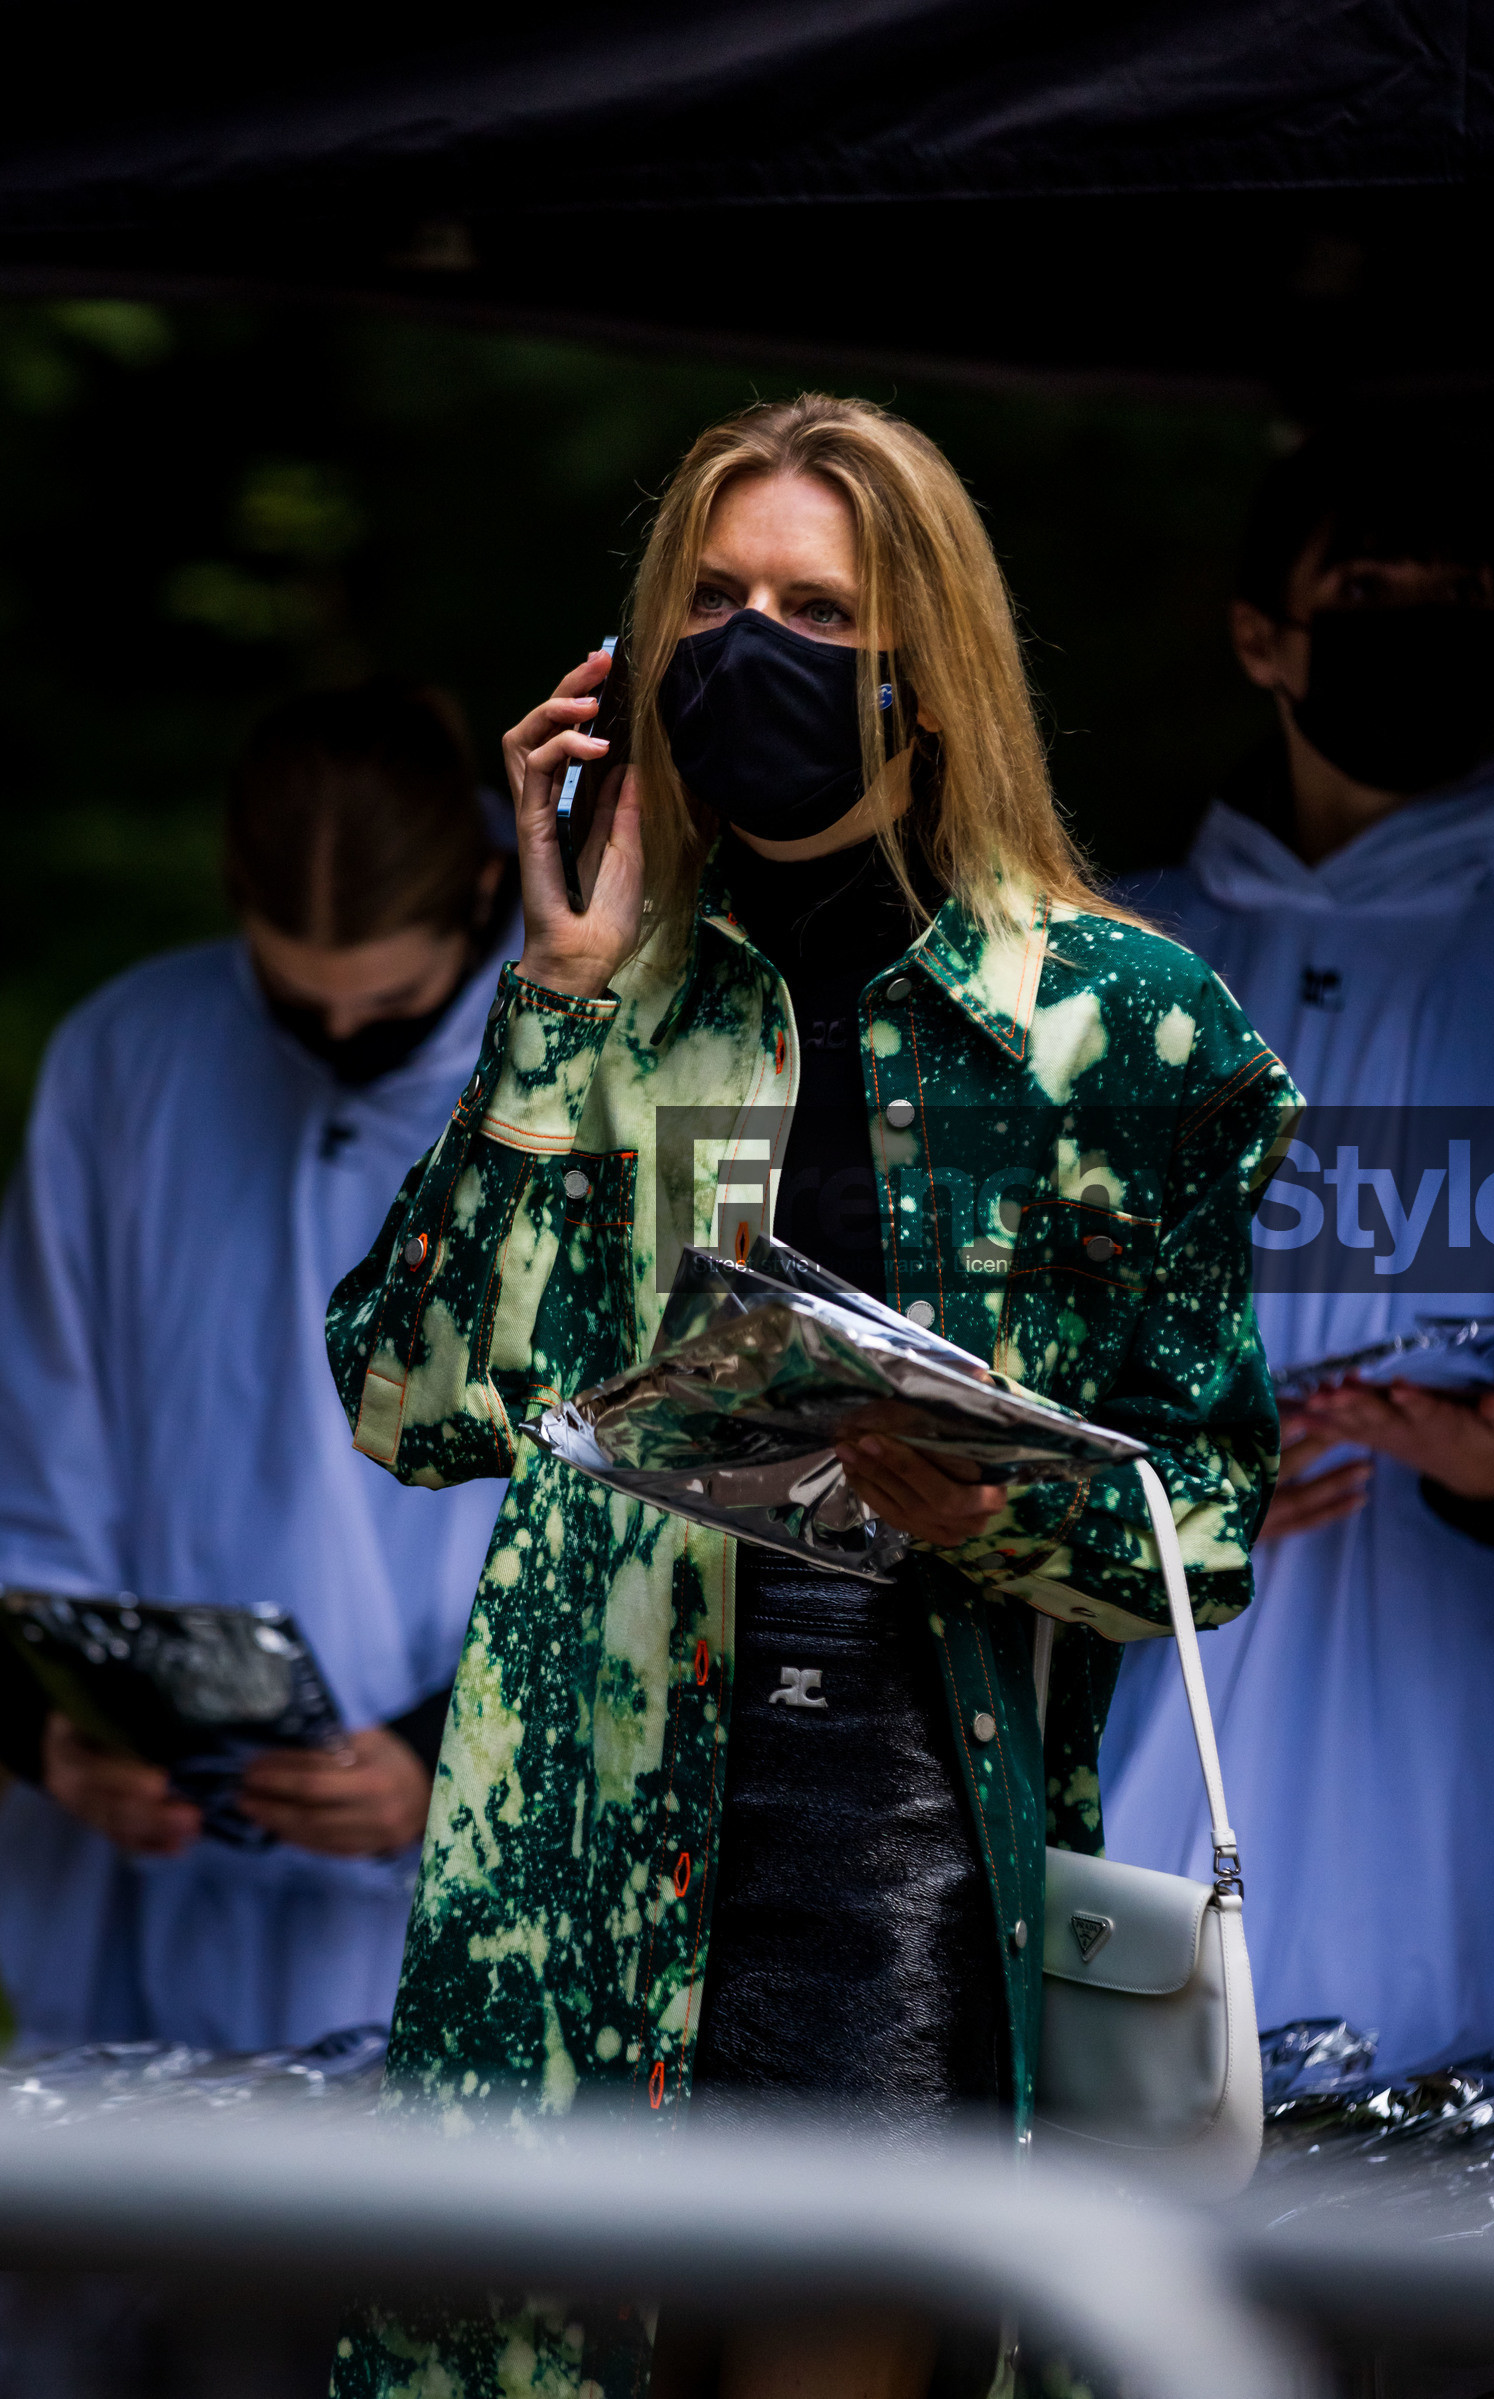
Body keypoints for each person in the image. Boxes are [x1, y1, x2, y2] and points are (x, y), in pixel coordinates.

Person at [325, 394, 1299, 2399]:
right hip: (581, 1845)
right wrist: (549, 1000)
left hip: (890, 1837)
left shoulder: (1111, 1024)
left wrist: (1000, 1509)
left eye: (816, 610)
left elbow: (1204, 1523)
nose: (746, 646)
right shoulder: (618, 994)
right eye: (708, 601)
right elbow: (408, 1407)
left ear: (927, 666)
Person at [1100, 424, 1494, 2079]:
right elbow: (993, 1356)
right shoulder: (1119, 961)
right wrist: (1152, 1492)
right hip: (1165, 1707)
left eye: (1458, 594)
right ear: (1262, 636)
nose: (1421, 629)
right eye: (1371, 591)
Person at [0, 682, 518, 2054]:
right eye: (298, 1002)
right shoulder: (128, 1056)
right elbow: (39, 1445)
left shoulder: (605, 1066)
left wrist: (451, 1746)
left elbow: (664, 1482)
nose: (340, 1042)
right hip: (161, 1893)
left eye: (391, 1006)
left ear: (483, 892)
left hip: (474, 1876)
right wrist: (54, 1730)